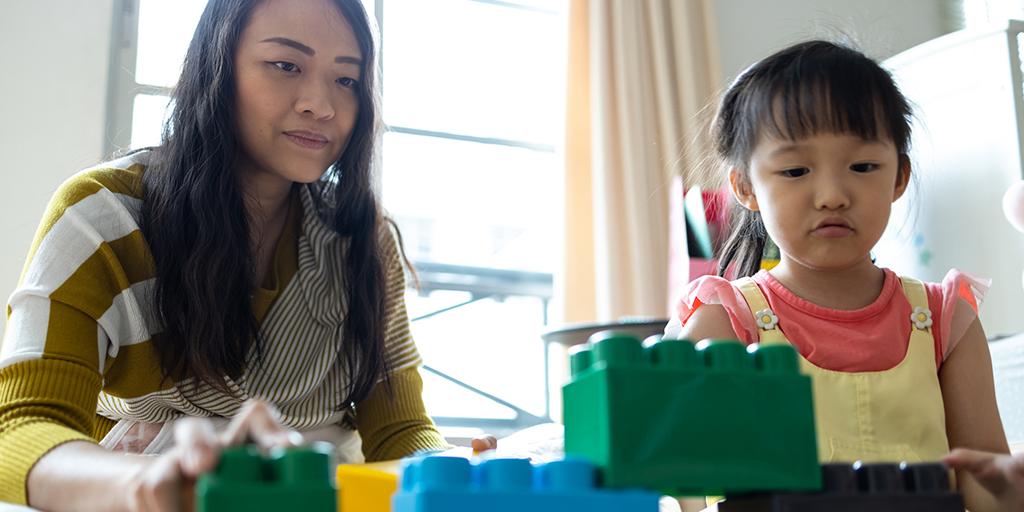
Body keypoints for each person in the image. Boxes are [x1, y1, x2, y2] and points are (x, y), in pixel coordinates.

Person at [0, 1, 492, 510]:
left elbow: (401, 430)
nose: (321, 104)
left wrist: (454, 471)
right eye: (286, 66)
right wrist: (144, 484)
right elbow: (21, 429)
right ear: (216, 65)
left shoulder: (362, 240)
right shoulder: (105, 217)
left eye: (347, 79)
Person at [666, 40, 1009, 511]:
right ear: (745, 187)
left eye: (863, 166)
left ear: (898, 178)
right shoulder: (726, 322)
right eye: (795, 170)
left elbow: (987, 480)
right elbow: (681, 482)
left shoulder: (946, 321)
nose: (831, 195)